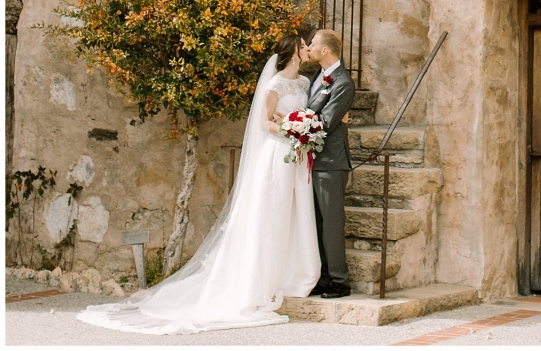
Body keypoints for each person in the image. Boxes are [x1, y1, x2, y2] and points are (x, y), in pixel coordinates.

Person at [77, 34, 321, 335]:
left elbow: (306, 113)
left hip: (297, 156)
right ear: (295, 52)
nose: (308, 48)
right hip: (278, 152)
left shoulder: (305, 84)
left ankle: (297, 273)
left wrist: (305, 127)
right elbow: (263, 123)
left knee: (297, 211)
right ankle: (263, 279)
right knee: (274, 211)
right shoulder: (274, 85)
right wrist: (290, 129)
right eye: (304, 45)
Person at [307, 28, 356, 299]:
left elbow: (326, 122)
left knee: (332, 222)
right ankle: (324, 278)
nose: (309, 47)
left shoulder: (343, 83)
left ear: (325, 50)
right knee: (317, 222)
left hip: (331, 162)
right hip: (314, 160)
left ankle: (340, 280)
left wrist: (292, 121)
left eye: (313, 43)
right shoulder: (319, 76)